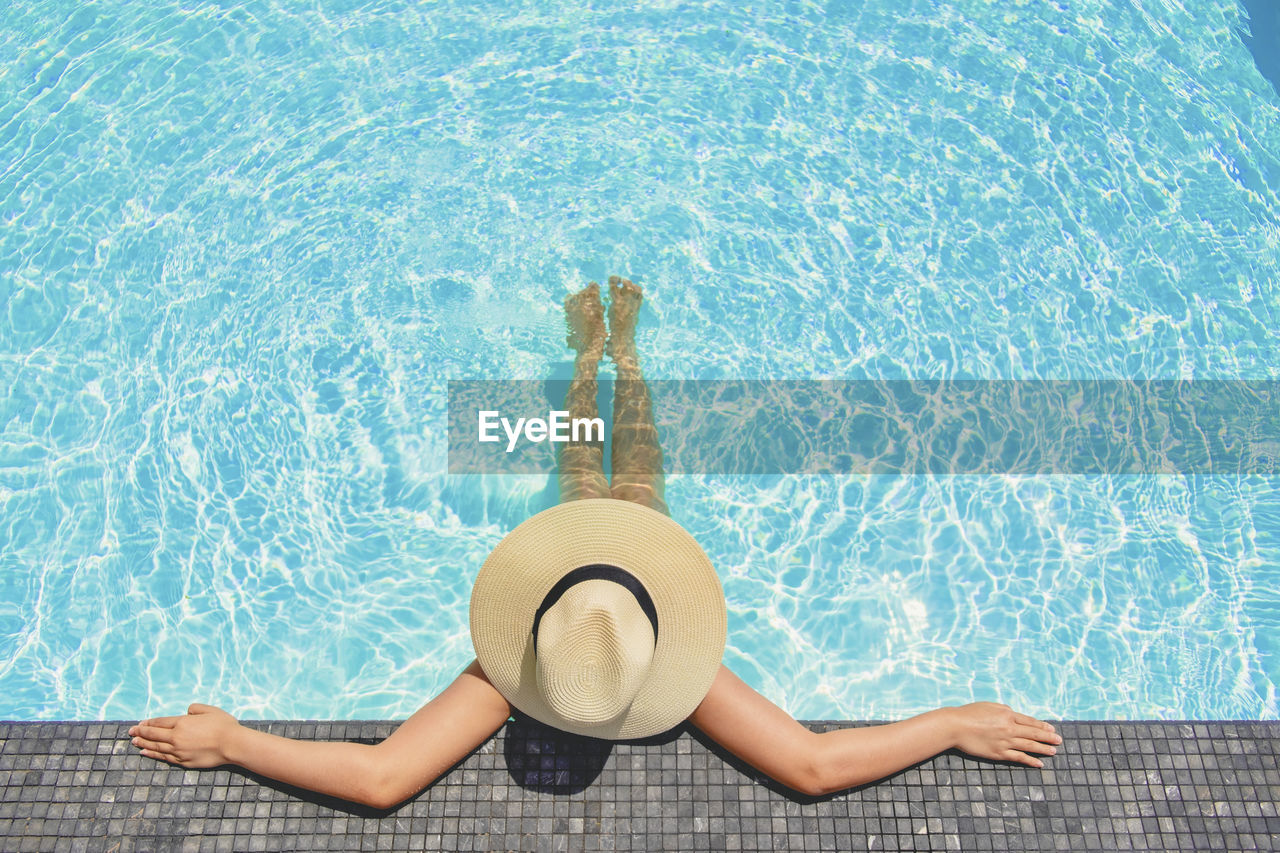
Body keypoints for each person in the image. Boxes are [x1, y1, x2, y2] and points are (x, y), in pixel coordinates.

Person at [128, 277, 1062, 808]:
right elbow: (810, 765)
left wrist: (234, 740)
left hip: (610, 560)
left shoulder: (521, 669)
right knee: (621, 473)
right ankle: (606, 356)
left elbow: (384, 779)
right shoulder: (652, 668)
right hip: (631, 556)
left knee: (599, 470)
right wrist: (946, 722)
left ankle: (609, 356)